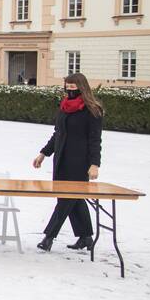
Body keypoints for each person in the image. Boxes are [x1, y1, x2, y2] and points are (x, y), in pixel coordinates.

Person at [33, 73, 103, 252]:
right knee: (74, 200)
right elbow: (58, 134)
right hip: (61, 160)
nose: (70, 91)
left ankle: (49, 237)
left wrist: (95, 164)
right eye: (67, 87)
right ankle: (86, 237)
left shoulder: (92, 109)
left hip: (80, 163)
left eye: (73, 88)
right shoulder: (64, 107)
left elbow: (95, 140)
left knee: (66, 199)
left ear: (82, 88)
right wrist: (43, 153)